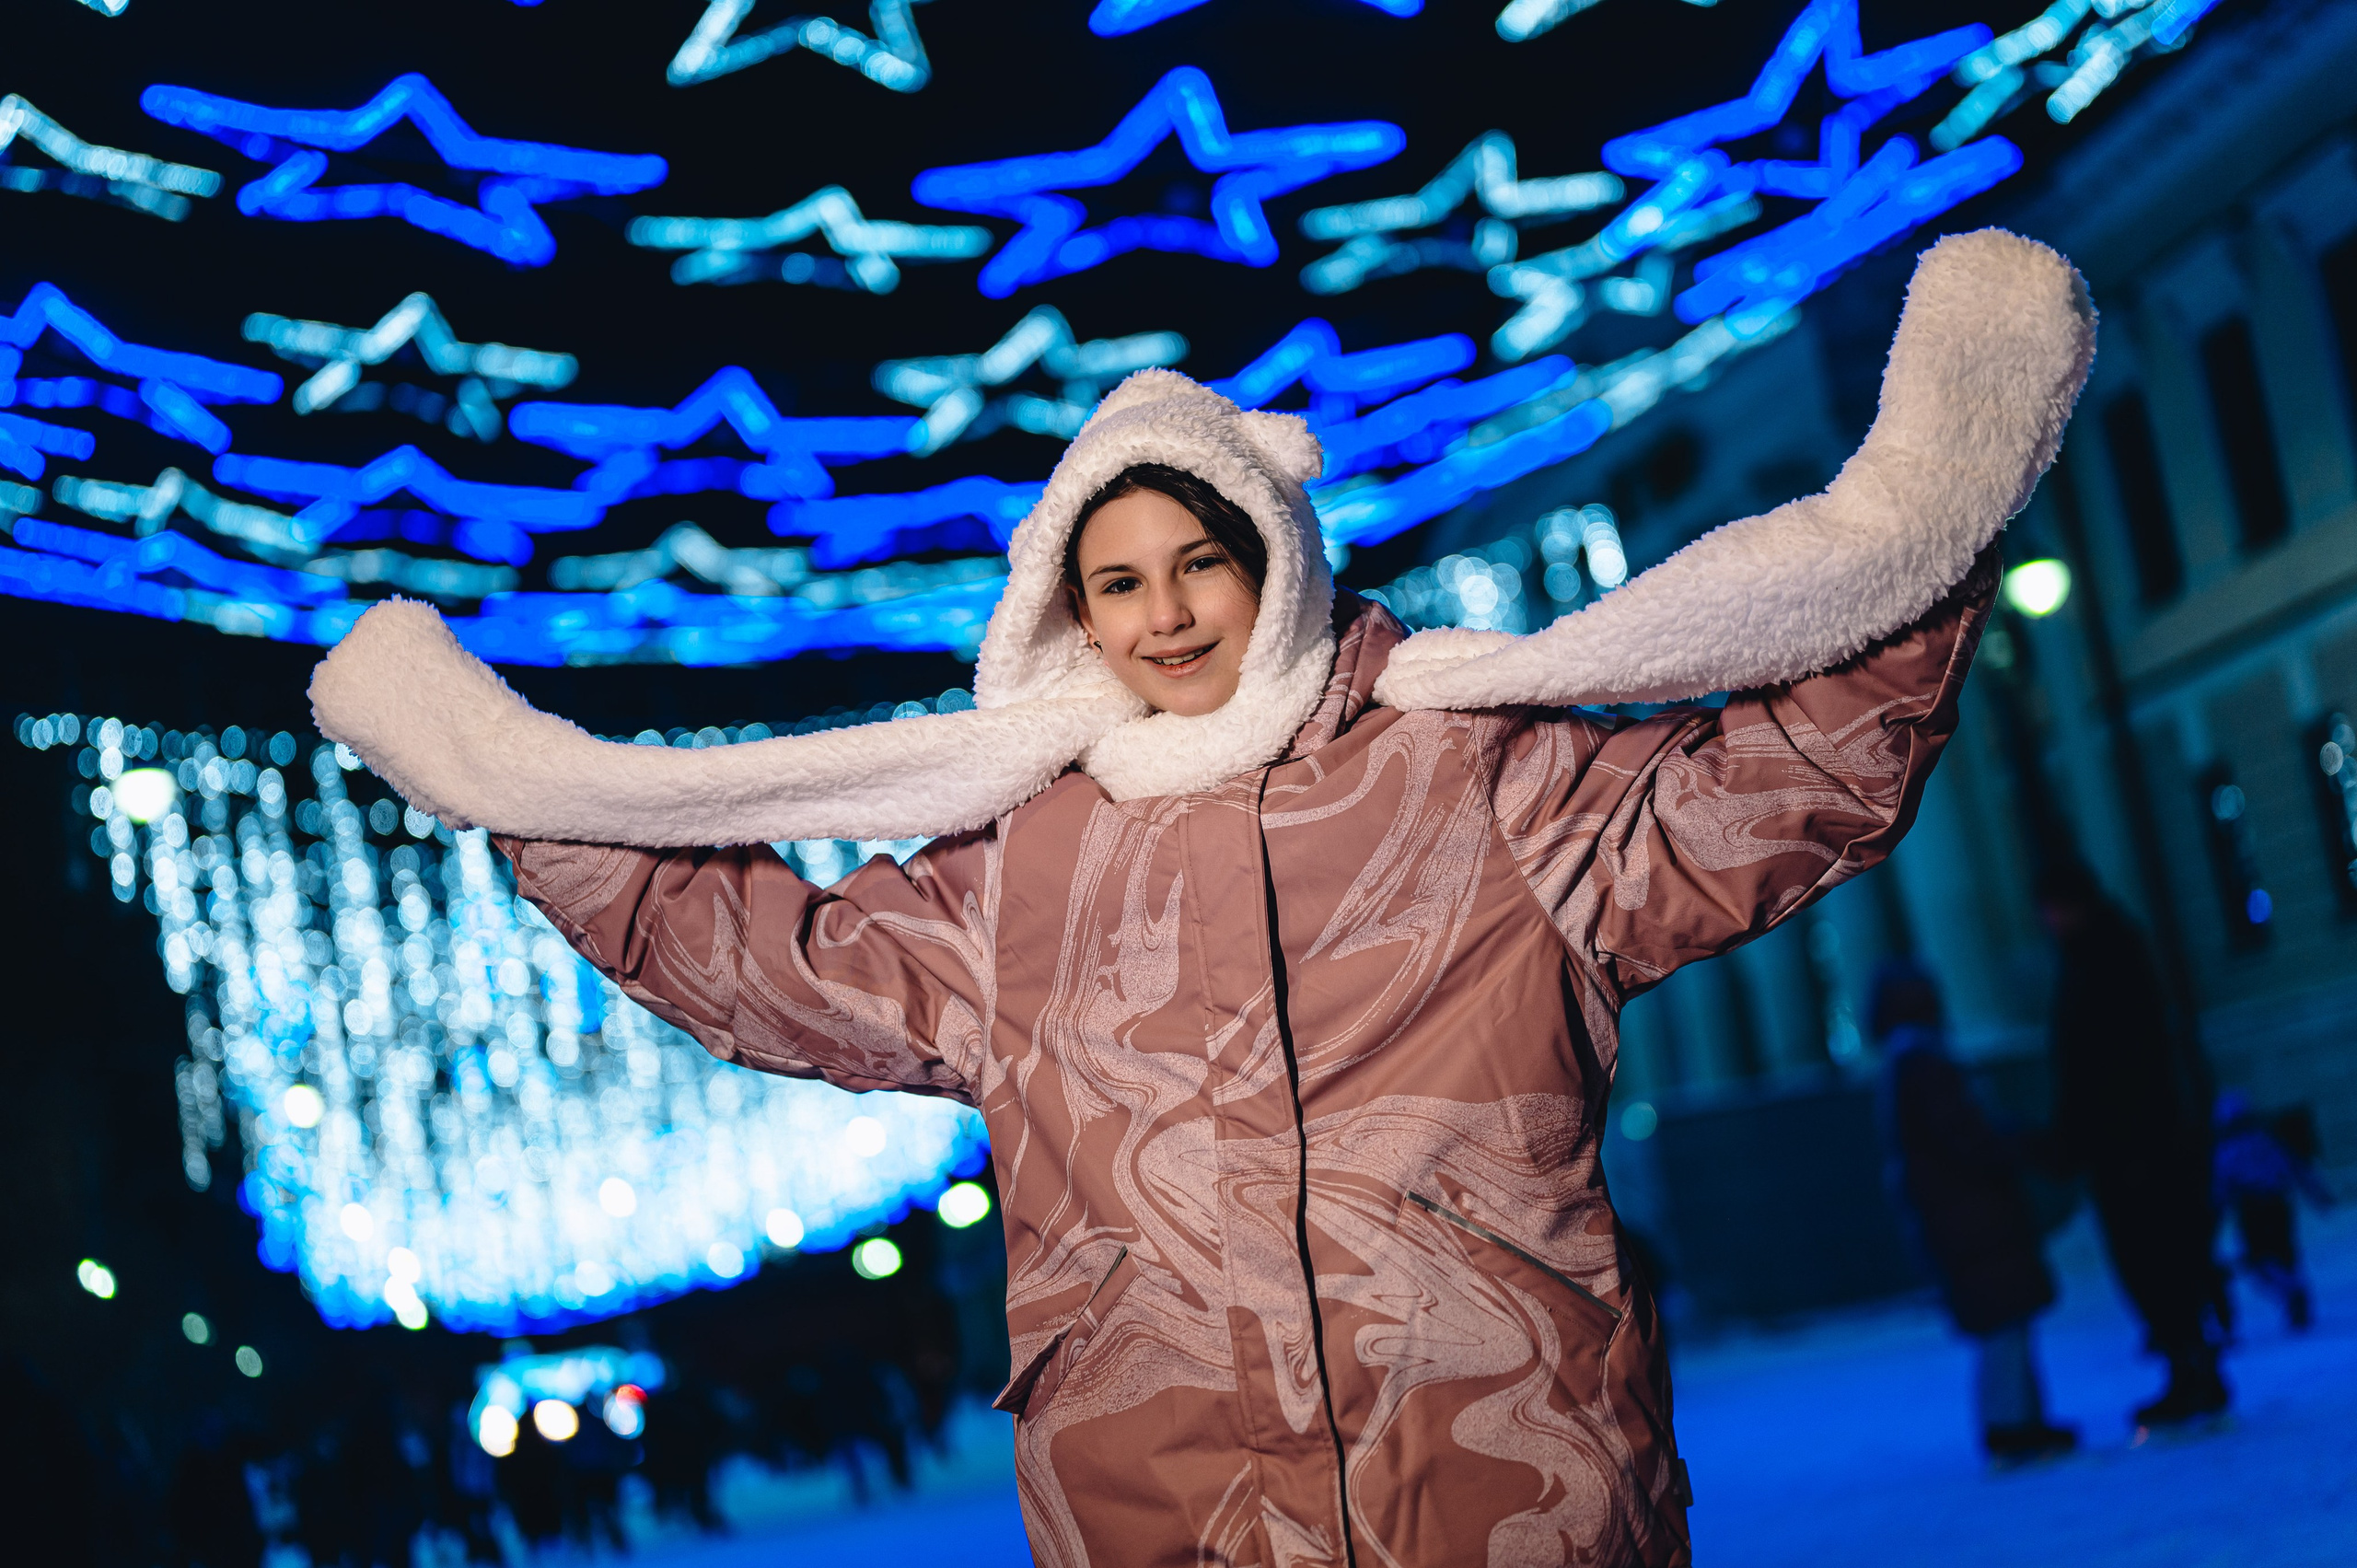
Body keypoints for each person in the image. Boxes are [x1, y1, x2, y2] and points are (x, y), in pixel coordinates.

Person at [312, 231, 2094, 1568]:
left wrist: (1923, 525)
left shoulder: (1475, 781)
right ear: (1067, 611)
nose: (1165, 615)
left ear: (1276, 557)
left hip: (1507, 1483)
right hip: (1167, 1510)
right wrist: (532, 800)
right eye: (1118, 584)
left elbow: (1774, 791)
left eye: (1201, 563)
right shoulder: (1021, 871)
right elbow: (770, 963)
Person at [2036, 860, 2228, 1432]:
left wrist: (2094, 1136)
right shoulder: (2100, 952)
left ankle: (2192, 1370)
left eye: (2052, 909)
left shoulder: (2103, 958)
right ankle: (2190, 1367)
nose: (2047, 922)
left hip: (2134, 1145)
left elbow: (2111, 1062)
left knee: (2157, 1257)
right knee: (2158, 1258)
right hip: (2130, 1141)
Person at [1870, 961, 2075, 1465]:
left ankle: (2019, 1423)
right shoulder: (1923, 1063)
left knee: (2003, 1323)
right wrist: (2019, 1147)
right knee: (2005, 1322)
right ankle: (2012, 1428)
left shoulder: (1905, 1064)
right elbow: (1963, 1136)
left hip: (1962, 1220)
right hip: (1974, 1219)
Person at [2212, 1091, 2333, 1331]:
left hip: (2253, 1210)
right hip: (2278, 1206)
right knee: (2282, 1255)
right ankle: (2295, 1296)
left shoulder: (2228, 1151)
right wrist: (2319, 1195)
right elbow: (2298, 1169)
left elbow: (2221, 1187)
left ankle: (2293, 1294)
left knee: (2259, 1259)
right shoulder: (2270, 1139)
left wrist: (2213, 1214)